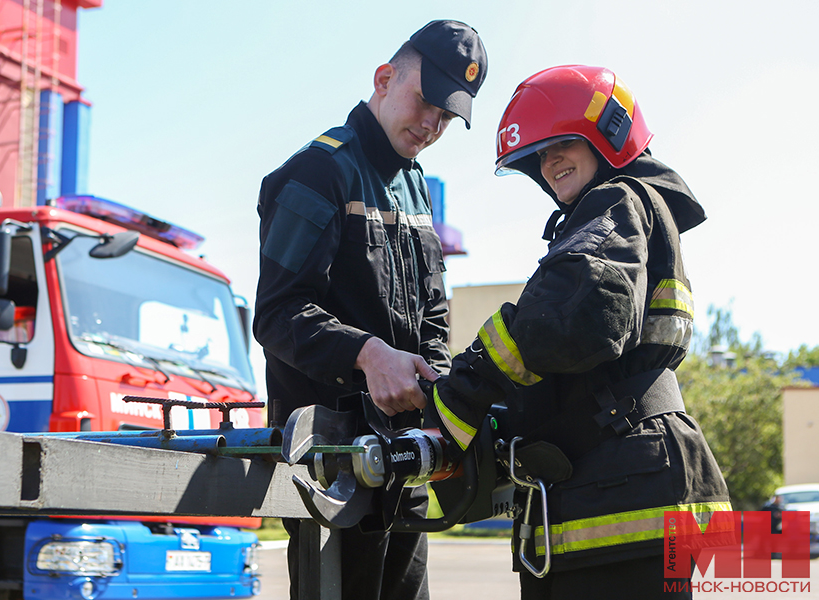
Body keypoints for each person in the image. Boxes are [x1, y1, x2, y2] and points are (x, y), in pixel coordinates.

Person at [424, 65, 731, 599]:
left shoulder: (616, 204)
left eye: (564, 142)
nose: (550, 162)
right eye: (541, 154)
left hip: (623, 501)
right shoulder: (633, 214)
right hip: (642, 482)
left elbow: (564, 324)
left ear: (609, 133)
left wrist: (459, 395)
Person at [253, 20, 488, 600]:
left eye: (447, 117)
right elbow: (276, 313)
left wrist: (441, 394)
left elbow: (432, 316)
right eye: (425, 102)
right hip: (331, 466)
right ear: (384, 79)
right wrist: (365, 355)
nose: (432, 125)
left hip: (407, 460)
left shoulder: (415, 186)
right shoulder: (319, 171)